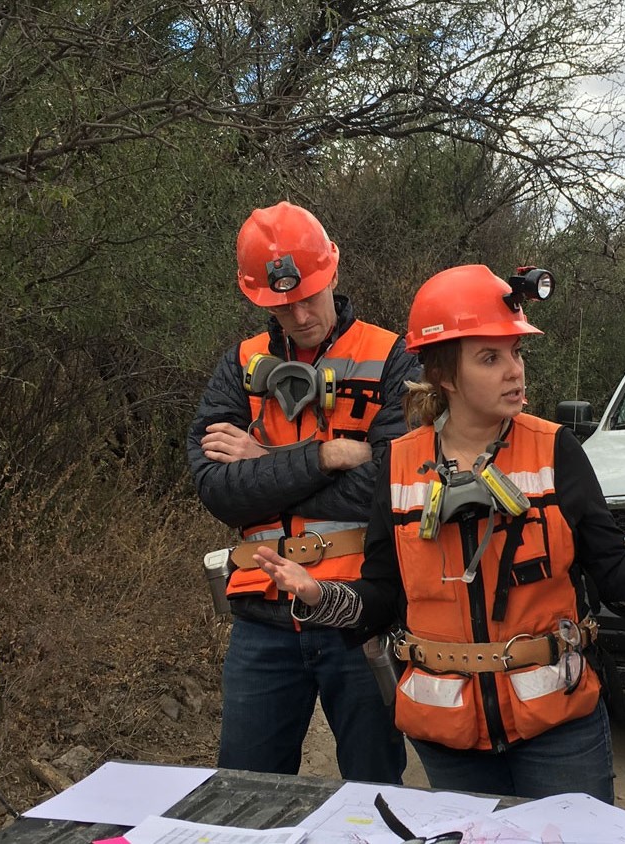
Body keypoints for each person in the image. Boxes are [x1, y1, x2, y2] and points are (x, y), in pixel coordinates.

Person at [253, 264, 625, 802]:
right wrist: (319, 597)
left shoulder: (556, 451)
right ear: (445, 376)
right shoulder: (398, 466)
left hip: (559, 730)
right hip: (448, 736)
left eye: (516, 353)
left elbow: (618, 582)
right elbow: (382, 598)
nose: (514, 372)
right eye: (490, 358)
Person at [187, 201, 411, 783]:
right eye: (281, 305)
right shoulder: (240, 365)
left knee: (373, 795)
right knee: (245, 795)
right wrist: (328, 456)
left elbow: (392, 486)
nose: (299, 313)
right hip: (262, 616)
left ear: (333, 271)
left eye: (308, 295)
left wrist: (265, 465)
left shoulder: (392, 357)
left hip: (360, 611)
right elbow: (217, 490)